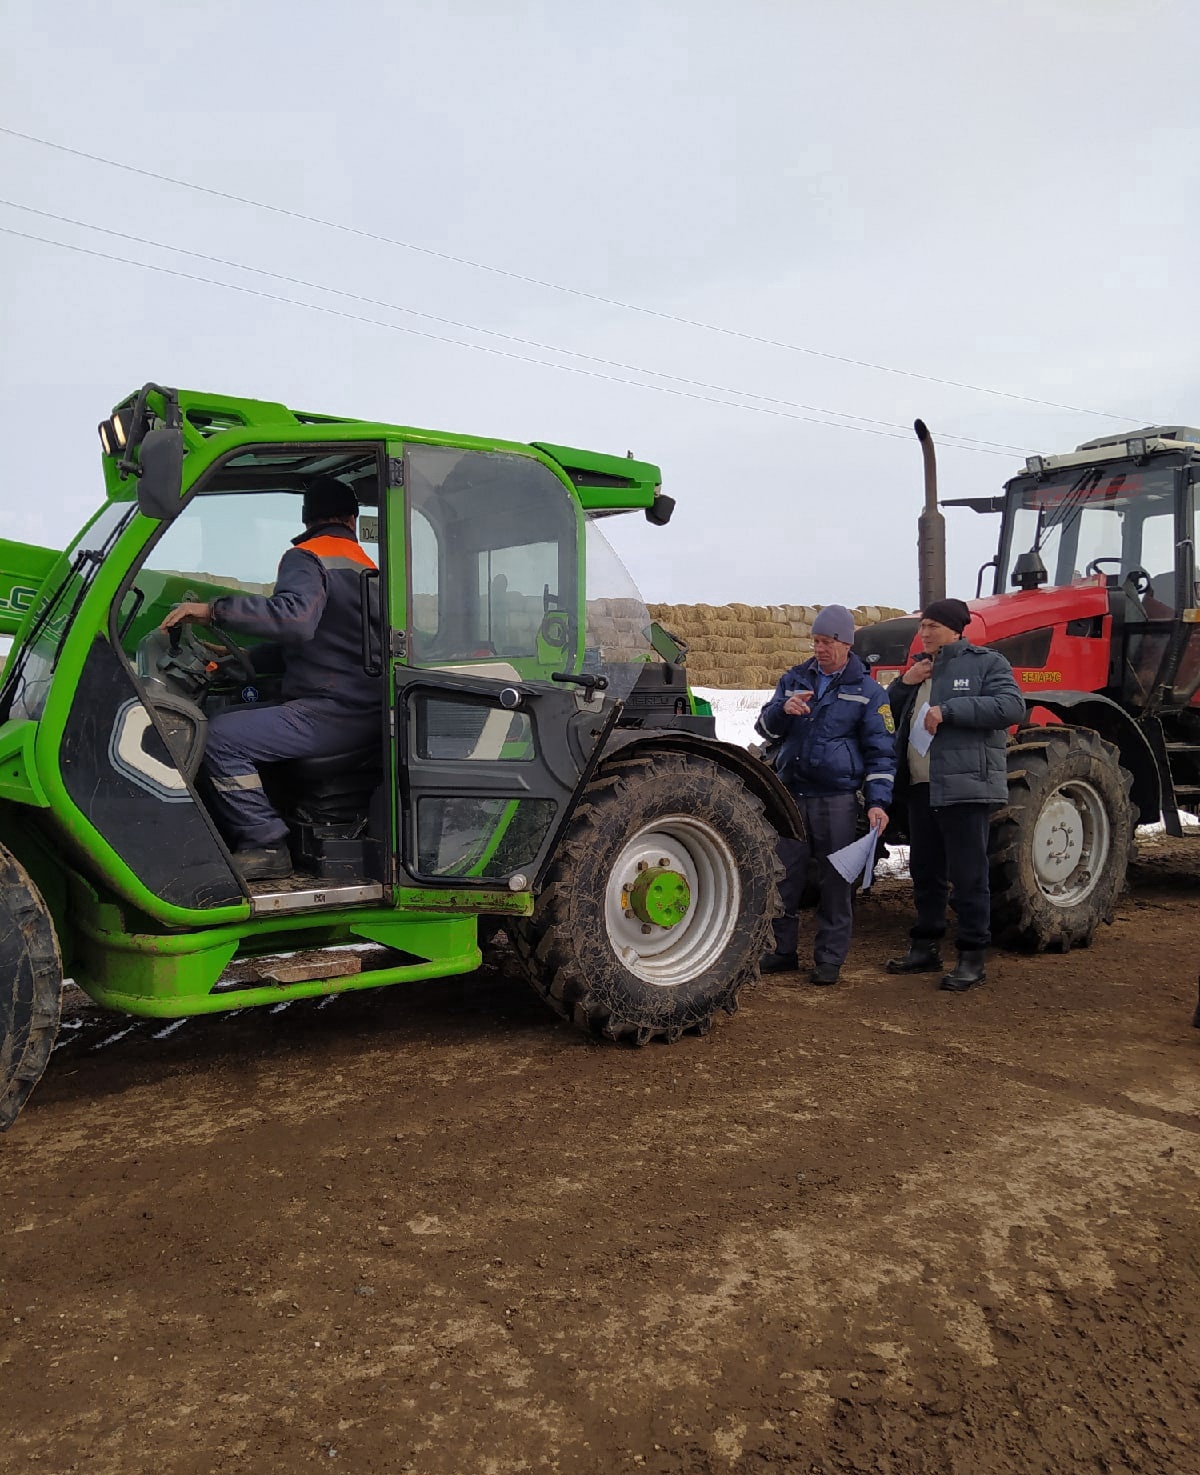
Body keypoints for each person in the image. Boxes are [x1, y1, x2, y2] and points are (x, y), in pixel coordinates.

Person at [161, 476, 380, 882]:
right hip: (364, 706)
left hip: (331, 711)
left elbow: (295, 620)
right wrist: (242, 656)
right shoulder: (368, 566)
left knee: (220, 735)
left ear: (307, 517)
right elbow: (327, 641)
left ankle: (264, 842)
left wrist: (214, 612)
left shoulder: (308, 557)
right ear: (353, 519)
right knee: (246, 715)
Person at [884, 597, 1025, 991]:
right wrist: (901, 685)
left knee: (968, 875)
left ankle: (971, 956)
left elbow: (1012, 706)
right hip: (920, 787)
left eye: (932, 626)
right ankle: (925, 947)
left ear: (954, 629)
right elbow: (884, 716)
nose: (924, 632)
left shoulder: (986, 663)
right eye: (922, 626)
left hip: (964, 788)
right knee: (925, 872)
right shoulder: (918, 670)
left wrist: (952, 710)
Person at [756, 604, 896, 985]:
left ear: (846, 643)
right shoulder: (795, 678)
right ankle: (780, 951)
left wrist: (878, 801)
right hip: (790, 794)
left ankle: (829, 959)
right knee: (783, 875)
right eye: (816, 641)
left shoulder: (868, 692)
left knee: (836, 881)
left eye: (827, 642)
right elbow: (766, 727)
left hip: (836, 798)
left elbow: (882, 752)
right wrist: (783, 711)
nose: (819, 648)